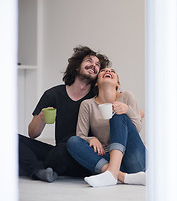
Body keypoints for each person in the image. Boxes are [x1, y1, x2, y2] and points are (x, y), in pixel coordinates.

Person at [18, 46, 111, 182]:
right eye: (89, 61)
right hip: (59, 152)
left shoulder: (98, 97)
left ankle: (32, 166)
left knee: (61, 151)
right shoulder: (53, 94)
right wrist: (42, 117)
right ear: (76, 67)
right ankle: (38, 170)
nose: (94, 66)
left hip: (86, 155)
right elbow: (33, 134)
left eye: (97, 65)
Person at [66, 67, 146, 187]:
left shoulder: (127, 96)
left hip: (132, 159)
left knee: (118, 117)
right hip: (106, 158)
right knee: (72, 142)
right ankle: (120, 176)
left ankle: (112, 173)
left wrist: (127, 110)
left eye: (112, 71)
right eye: (104, 71)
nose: (108, 72)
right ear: (96, 82)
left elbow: (138, 128)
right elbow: (80, 136)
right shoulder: (87, 105)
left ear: (117, 84)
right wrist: (91, 138)